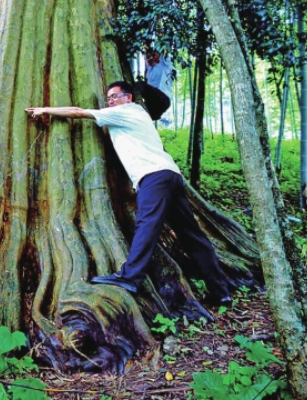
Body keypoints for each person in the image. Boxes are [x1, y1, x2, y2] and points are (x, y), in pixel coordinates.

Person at [24, 81, 231, 305]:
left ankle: (130, 277)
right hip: (171, 175)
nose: (111, 101)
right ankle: (221, 292)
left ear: (128, 98)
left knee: (146, 226)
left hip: (153, 176)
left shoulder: (124, 112)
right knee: (193, 235)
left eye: (115, 96)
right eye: (109, 98)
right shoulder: (138, 114)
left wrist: (45, 110)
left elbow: (77, 112)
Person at [136, 50, 174, 121]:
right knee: (140, 114)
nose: (151, 58)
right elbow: (147, 60)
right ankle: (156, 116)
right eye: (148, 57)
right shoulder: (149, 71)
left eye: (154, 56)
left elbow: (163, 49)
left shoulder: (164, 65)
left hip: (163, 98)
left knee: (139, 84)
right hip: (154, 103)